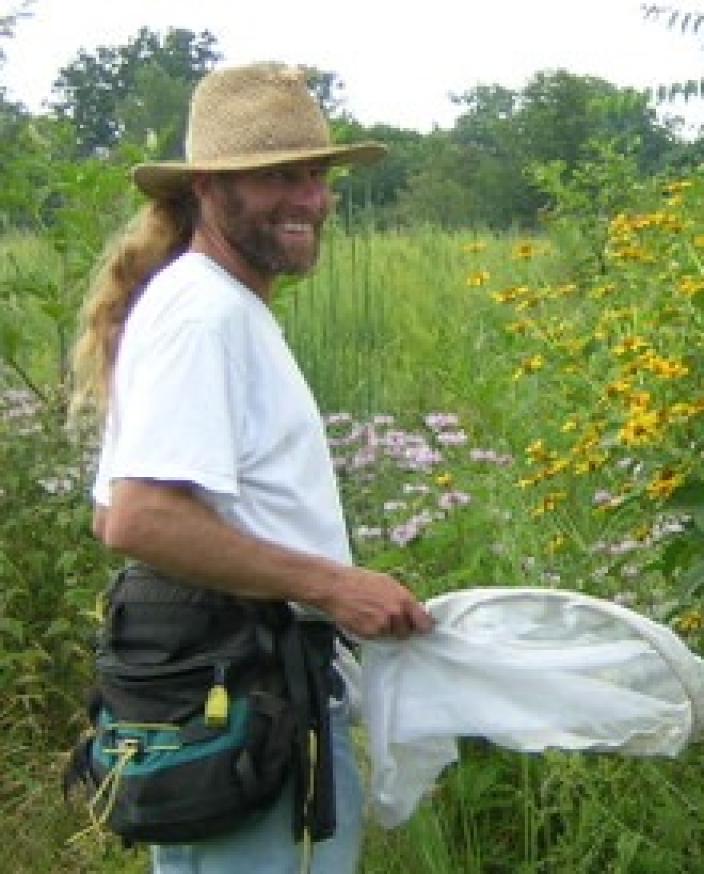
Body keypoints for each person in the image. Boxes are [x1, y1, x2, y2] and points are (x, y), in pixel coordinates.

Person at [70, 61, 433, 874]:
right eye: (278, 177)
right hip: (246, 701)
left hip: (262, 698)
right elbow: (137, 519)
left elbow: (116, 512)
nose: (310, 198)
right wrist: (334, 585)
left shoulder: (225, 305)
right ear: (208, 188)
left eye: (316, 174)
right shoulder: (202, 314)